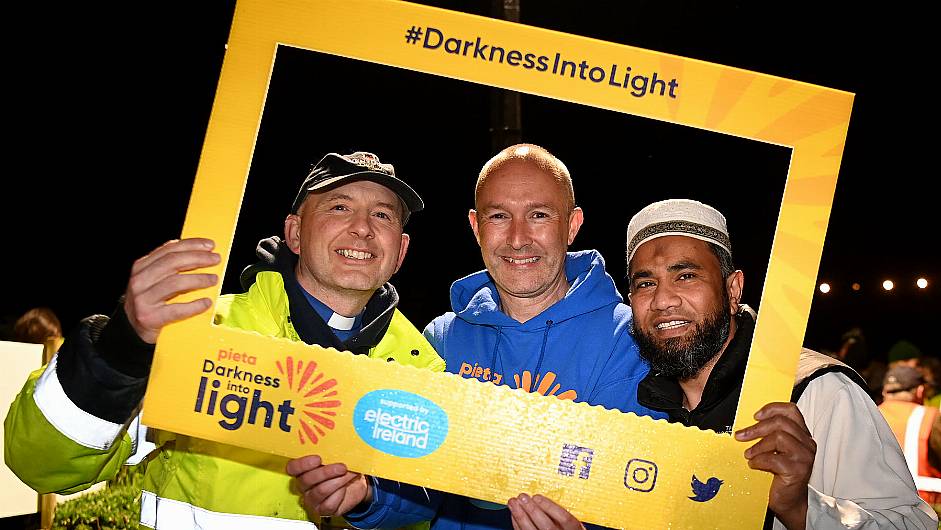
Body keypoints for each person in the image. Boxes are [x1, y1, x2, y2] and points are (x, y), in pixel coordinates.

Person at [4, 151, 445, 529]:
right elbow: (42, 465)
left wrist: (371, 500)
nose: (363, 228)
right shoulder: (199, 332)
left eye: (383, 215)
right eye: (339, 207)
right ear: (294, 233)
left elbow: (429, 513)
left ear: (401, 250)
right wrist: (123, 346)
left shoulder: (422, 373)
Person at [286, 144, 665, 530]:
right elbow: (419, 487)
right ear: (475, 227)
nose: (518, 238)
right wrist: (368, 496)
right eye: (499, 216)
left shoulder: (629, 339)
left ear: (571, 224)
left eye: (539, 215)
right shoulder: (440, 341)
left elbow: (641, 490)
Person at [618, 198, 935, 529]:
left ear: (732, 290)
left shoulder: (815, 391)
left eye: (685, 276)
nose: (663, 300)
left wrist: (801, 508)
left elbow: (909, 523)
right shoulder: (640, 404)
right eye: (645, 283)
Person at [878, 365, 941, 507]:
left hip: (877, 511)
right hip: (928, 509)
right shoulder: (930, 417)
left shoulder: (868, 415)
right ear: (920, 391)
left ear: (884, 392)